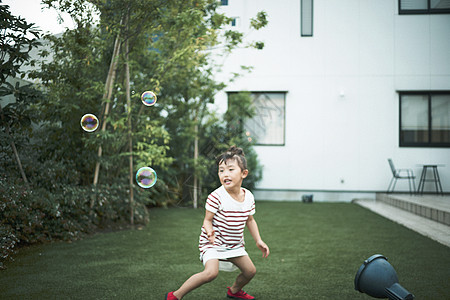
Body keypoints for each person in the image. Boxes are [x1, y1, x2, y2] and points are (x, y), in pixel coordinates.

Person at [166, 146, 270, 300]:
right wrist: (209, 232)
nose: (225, 174)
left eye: (230, 169)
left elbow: (250, 220)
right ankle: (175, 295)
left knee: (250, 271)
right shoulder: (216, 197)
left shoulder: (248, 197)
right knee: (210, 273)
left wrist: (258, 240)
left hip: (234, 244)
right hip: (212, 243)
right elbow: (207, 221)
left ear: (244, 173)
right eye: (221, 170)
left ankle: (234, 291)